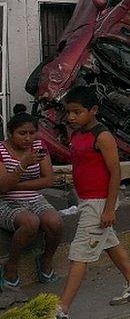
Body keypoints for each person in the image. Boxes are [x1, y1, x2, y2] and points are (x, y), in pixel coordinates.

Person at [56, 86, 130, 318]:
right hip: (87, 200)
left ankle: (61, 309)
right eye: (69, 112)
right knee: (109, 243)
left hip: (99, 204)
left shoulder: (102, 136)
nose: (72, 117)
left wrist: (108, 209)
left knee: (79, 255)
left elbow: (115, 172)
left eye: (77, 112)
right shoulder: (77, 134)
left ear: (93, 110)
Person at [0, 106, 62, 288]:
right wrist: (23, 165)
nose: (28, 138)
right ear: (10, 133)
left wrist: (14, 185)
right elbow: (3, 188)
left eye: (32, 133)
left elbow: (48, 179)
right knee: (30, 223)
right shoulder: (1, 150)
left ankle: (46, 260)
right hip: (6, 202)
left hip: (33, 198)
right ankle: (11, 265)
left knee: (55, 221)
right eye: (22, 133)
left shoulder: (39, 147)